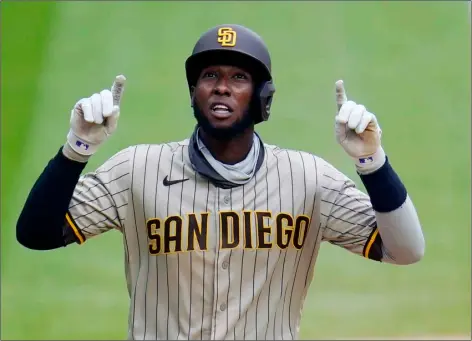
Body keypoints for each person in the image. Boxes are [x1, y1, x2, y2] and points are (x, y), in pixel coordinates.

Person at [16, 24, 425, 340]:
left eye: (239, 77)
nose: (222, 87)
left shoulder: (308, 179)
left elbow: (406, 249)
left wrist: (372, 161)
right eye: (210, 74)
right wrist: (77, 149)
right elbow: (36, 234)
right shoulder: (136, 169)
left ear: (264, 96)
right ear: (194, 92)